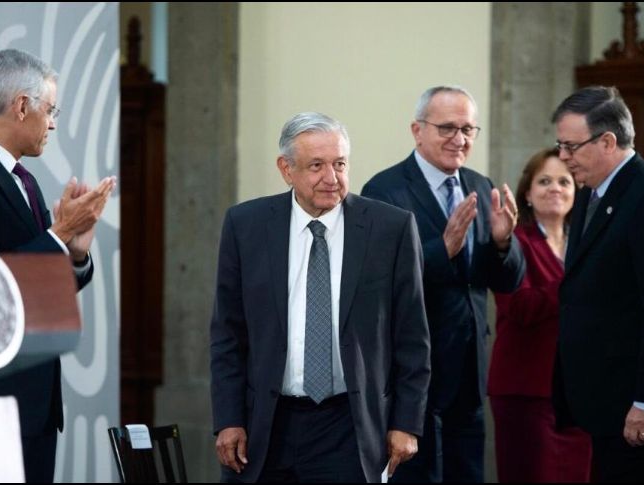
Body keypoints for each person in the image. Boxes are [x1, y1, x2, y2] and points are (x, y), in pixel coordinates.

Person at [210, 112, 431, 482]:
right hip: (266, 422)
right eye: (316, 166)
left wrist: (407, 422)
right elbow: (227, 334)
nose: (332, 178)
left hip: (350, 424)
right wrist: (229, 419)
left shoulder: (390, 228)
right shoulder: (245, 226)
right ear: (286, 169)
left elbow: (413, 337)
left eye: (340, 164)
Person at [0, 48, 116, 482]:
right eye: (50, 110)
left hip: (31, 403)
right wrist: (57, 233)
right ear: (21, 106)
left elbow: (36, 292)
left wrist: (74, 251)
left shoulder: (23, 179)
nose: (53, 123)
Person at [361, 85, 525, 483]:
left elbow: (507, 281)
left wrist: (504, 242)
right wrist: (441, 249)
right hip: (415, 373)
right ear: (417, 130)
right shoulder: (384, 191)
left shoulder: (479, 184)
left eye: (469, 129)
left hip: (469, 370)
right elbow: (375, 286)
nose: (460, 139)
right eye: (448, 128)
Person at [551, 85, 644, 482]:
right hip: (607, 402)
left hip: (642, 410)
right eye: (559, 146)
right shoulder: (592, 193)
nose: (563, 157)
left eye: (570, 146)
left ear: (607, 141)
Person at [487, 148, 591, 482]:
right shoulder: (512, 241)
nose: (555, 188)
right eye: (544, 181)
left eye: (564, 181)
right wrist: (574, 283)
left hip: (578, 393)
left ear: (577, 191)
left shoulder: (585, 244)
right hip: (527, 392)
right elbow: (519, 307)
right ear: (528, 194)